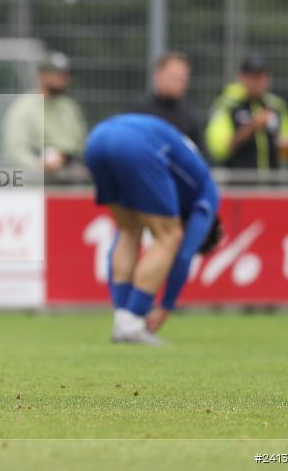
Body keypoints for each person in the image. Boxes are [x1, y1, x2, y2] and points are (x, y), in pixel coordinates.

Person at [85, 114, 223, 345]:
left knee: (128, 230)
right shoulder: (207, 193)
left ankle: (123, 320)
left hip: (97, 137)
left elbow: (118, 244)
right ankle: (131, 323)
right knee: (169, 237)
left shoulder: (182, 184)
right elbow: (184, 255)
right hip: (136, 144)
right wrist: (166, 306)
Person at [205, 55, 288, 170]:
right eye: (255, 77)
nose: (260, 81)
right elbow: (218, 150)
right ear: (242, 77)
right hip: (238, 179)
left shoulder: (277, 106)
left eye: (264, 76)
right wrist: (252, 127)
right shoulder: (227, 105)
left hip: (271, 180)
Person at [3, 52, 87, 174]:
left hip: (70, 175)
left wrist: (65, 156)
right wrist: (40, 165)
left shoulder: (69, 107)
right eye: (57, 74)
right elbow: (15, 151)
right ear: (41, 76)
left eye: (66, 75)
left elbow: (80, 144)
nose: (63, 79)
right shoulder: (23, 107)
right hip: (36, 178)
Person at [133, 52, 201, 147]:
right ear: (157, 75)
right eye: (173, 76)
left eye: (183, 77)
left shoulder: (188, 116)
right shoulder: (139, 113)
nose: (179, 82)